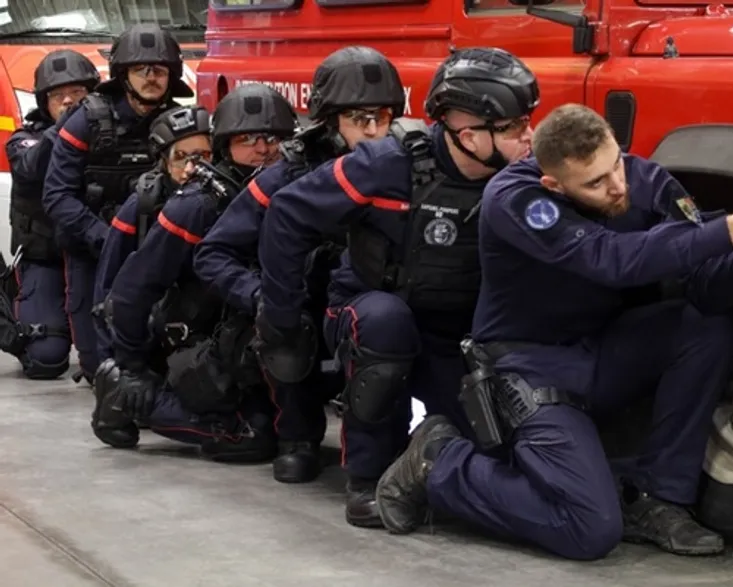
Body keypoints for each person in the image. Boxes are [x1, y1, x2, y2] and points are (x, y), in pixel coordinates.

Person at [373, 103, 733, 561]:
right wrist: (731, 229)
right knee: (589, 528)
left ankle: (658, 498)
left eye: (616, 165)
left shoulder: (645, 181)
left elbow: (708, 290)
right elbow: (608, 259)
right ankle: (439, 461)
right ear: (554, 184)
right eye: (595, 183)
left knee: (704, 326)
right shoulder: (516, 198)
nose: (617, 186)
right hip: (529, 366)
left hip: (604, 349)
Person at [253, 47, 537, 527]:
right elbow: (287, 213)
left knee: (496, 445)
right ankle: (369, 477)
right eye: (513, 127)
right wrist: (281, 318)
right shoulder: (386, 164)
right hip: (371, 313)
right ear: (468, 133)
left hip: (455, 331)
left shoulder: (523, 175)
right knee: (386, 324)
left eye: (527, 122)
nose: (528, 136)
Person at [193, 46, 406, 484]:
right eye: (359, 119)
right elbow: (213, 254)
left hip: (368, 303)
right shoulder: (287, 175)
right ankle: (297, 434)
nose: (373, 131)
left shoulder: (402, 165)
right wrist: (262, 296)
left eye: (382, 117)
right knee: (286, 327)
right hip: (299, 307)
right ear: (329, 121)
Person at [90, 85, 298, 461]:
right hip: (200, 340)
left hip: (255, 332)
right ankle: (124, 396)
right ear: (224, 145)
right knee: (251, 436)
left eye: (272, 138)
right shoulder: (197, 205)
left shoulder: (297, 189)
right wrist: (132, 367)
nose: (263, 149)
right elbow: (132, 290)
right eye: (247, 139)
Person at [42, 23, 192, 383]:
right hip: (93, 251)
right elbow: (57, 196)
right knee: (103, 370)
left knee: (164, 365)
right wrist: (107, 238)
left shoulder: (182, 124)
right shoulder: (87, 120)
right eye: (142, 69)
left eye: (160, 70)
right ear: (123, 75)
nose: (152, 77)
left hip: (155, 251)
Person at [0, 49, 100, 379]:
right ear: (45, 102)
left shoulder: (109, 138)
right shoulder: (25, 140)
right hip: (45, 260)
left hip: (95, 258)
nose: (69, 101)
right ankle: (23, 304)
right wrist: (68, 128)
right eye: (58, 95)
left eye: (78, 92)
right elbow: (31, 168)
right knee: (45, 359)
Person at [92, 105, 214, 365]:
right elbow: (107, 288)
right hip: (153, 328)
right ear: (165, 162)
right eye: (180, 156)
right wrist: (112, 364)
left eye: (203, 156)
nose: (191, 168)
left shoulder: (226, 199)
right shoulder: (142, 205)